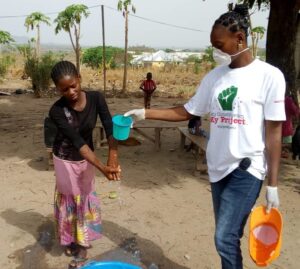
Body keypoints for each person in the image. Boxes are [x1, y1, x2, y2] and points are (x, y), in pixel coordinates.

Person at [124, 4, 285, 269]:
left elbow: (274, 132)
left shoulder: (269, 77)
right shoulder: (215, 77)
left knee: (223, 237)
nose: (215, 51)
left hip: (247, 168)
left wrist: (273, 184)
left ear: (240, 39)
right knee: (229, 236)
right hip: (217, 167)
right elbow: (187, 111)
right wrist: (144, 112)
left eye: (219, 44)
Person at [49, 61, 121, 269]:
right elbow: (77, 142)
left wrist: (112, 158)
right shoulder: (57, 110)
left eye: (73, 85)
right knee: (70, 198)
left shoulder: (96, 98)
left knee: (85, 194)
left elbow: (109, 126)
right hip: (65, 158)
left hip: (86, 157)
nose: (71, 92)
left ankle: (82, 238)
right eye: (64, 89)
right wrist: (103, 168)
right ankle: (74, 240)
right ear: (57, 89)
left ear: (79, 78)